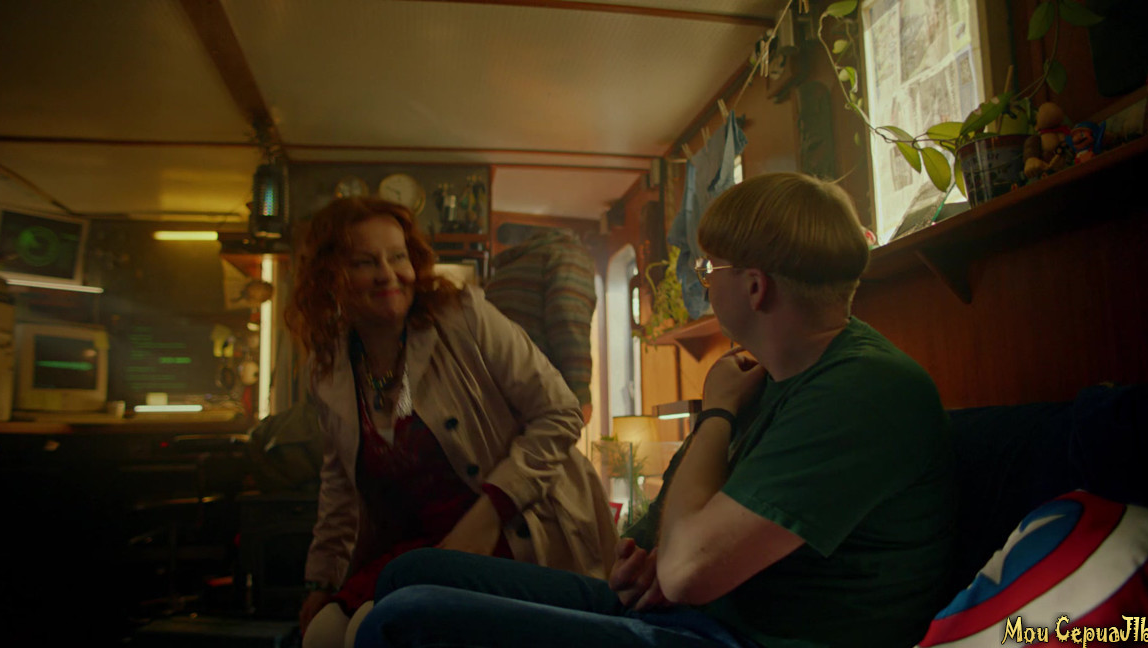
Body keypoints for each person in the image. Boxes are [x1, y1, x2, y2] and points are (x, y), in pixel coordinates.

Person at [352, 172, 957, 648]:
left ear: (755, 287)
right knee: (411, 573)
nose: (704, 282)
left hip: (742, 638)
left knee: (403, 618)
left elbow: (688, 569)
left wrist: (716, 414)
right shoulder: (769, 378)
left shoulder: (865, 389)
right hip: (688, 613)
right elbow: (659, 538)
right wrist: (643, 557)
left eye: (709, 268)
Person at [286, 197, 618, 648]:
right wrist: (320, 581)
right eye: (365, 262)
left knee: (372, 626)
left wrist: (491, 512)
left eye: (398, 256)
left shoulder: (463, 314)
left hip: (512, 528)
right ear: (330, 277)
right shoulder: (328, 368)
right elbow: (340, 486)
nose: (388, 274)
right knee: (321, 635)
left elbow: (561, 412)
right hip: (422, 545)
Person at [483, 228, 597, 423]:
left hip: (494, 396)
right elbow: (568, 320)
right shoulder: (572, 257)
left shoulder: (510, 267)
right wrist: (580, 397)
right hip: (533, 394)